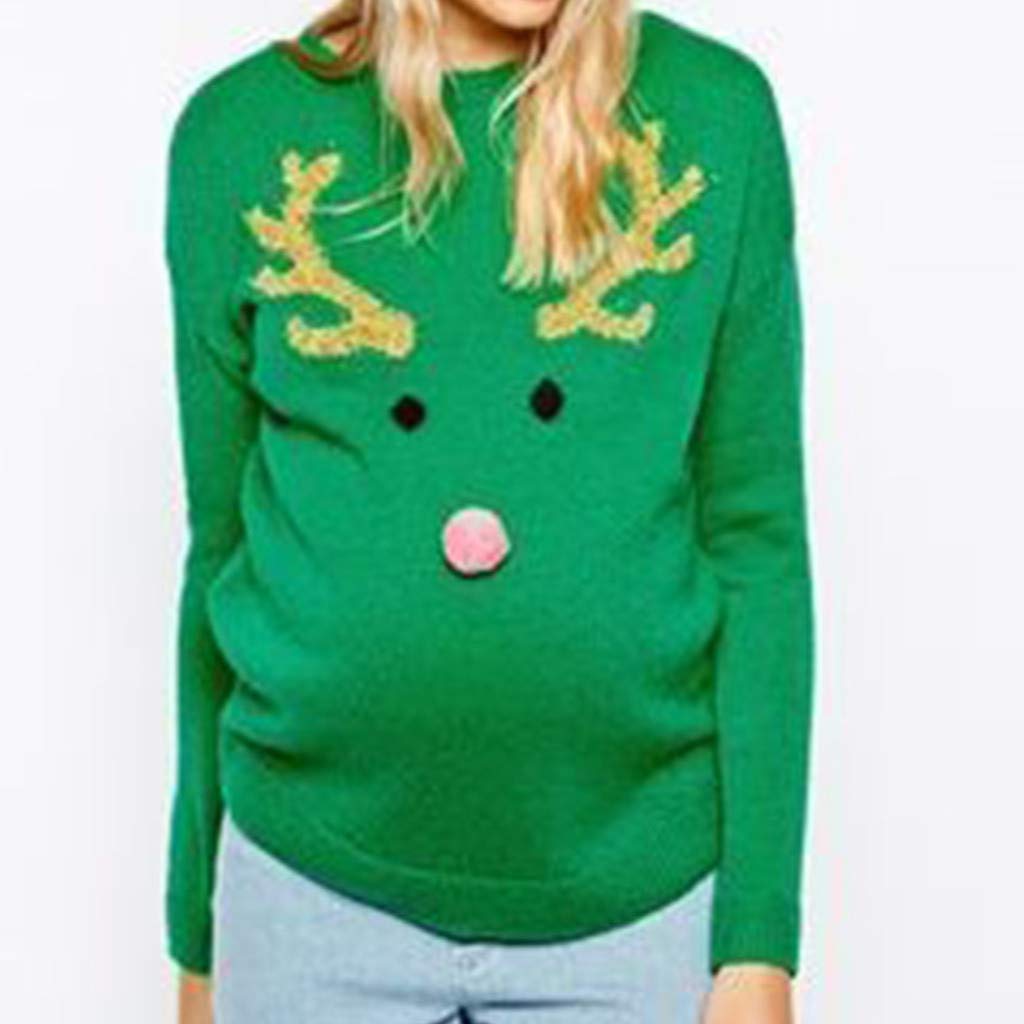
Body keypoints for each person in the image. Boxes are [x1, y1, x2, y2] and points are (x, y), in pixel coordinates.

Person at [164, 1, 815, 1021]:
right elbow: (221, 551)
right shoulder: (238, 138)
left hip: (634, 909)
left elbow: (756, 543)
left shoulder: (716, 120)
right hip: (307, 895)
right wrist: (196, 933)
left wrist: (759, 938)